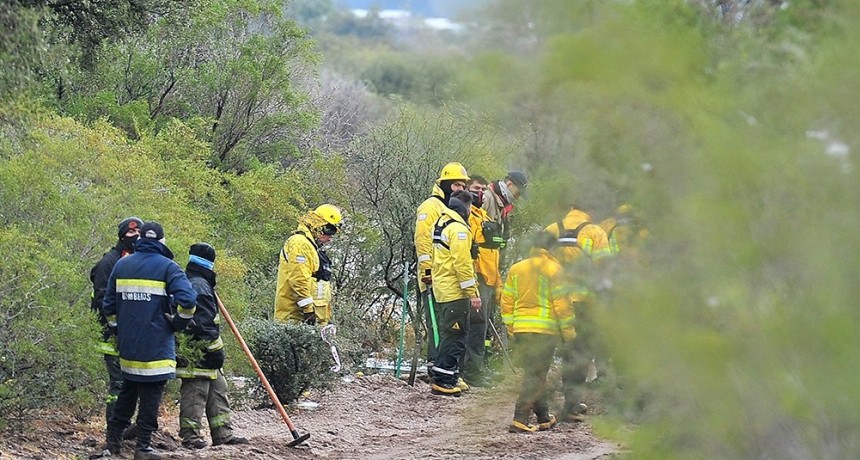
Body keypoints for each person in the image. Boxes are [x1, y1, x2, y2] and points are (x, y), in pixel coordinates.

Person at [102, 221, 197, 459]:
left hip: (128, 346)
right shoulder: (169, 267)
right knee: (151, 397)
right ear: (162, 241)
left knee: (127, 391)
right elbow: (188, 302)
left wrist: (117, 329)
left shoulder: (122, 265)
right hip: (156, 347)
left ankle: (112, 443)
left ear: (141, 239)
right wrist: (178, 323)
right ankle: (142, 447)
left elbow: (108, 305)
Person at [176, 243, 249, 449]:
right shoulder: (199, 286)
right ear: (209, 264)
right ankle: (190, 436)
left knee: (218, 390)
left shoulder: (199, 283)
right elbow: (205, 326)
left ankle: (223, 434)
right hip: (196, 351)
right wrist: (216, 350)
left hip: (205, 351)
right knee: (195, 392)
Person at [501, 231, 574, 433]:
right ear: (551, 248)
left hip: (521, 330)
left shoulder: (516, 269)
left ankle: (543, 417)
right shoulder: (554, 269)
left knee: (535, 372)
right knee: (536, 373)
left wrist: (511, 328)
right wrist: (568, 333)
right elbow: (562, 305)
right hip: (544, 331)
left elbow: (506, 302)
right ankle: (520, 418)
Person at [544, 204, 611, 422]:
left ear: (571, 207)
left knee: (546, 353)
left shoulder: (551, 229)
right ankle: (571, 405)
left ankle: (540, 407)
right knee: (578, 352)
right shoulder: (595, 231)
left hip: (553, 300)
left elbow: (537, 264)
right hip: (583, 302)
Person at [413, 162, 469, 366]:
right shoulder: (431, 206)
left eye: (463, 186)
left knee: (450, 327)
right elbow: (422, 240)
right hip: (433, 278)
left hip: (447, 280)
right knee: (437, 325)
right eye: (455, 185)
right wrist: (426, 270)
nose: (460, 189)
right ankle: (435, 364)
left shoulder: (450, 207)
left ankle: (447, 367)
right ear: (444, 184)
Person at [90, 217, 142, 429]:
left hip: (131, 335)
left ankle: (125, 424)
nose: (135, 236)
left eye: (139, 232)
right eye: (131, 233)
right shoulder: (108, 262)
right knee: (118, 383)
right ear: (122, 236)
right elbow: (103, 301)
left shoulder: (136, 260)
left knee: (133, 383)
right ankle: (114, 426)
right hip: (111, 335)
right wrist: (116, 326)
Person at [428, 190, 481, 396]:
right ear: (466, 208)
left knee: (448, 333)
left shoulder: (441, 224)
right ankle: (443, 380)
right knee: (456, 335)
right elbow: (462, 264)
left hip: (442, 289)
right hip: (454, 291)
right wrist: (472, 292)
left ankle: (448, 375)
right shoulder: (459, 229)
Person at [460, 175, 503, 387]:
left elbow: (493, 252)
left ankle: (478, 367)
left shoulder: (485, 216)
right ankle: (471, 372)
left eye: (484, 189)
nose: (480, 193)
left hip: (488, 277)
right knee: (474, 325)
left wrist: (498, 283)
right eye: (476, 189)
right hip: (474, 277)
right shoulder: (466, 217)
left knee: (482, 326)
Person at [274, 204, 342, 324]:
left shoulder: (310, 245)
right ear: (319, 227)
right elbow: (299, 279)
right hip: (295, 318)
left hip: (306, 319)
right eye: (329, 231)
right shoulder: (300, 243)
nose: (330, 238)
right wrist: (308, 310)